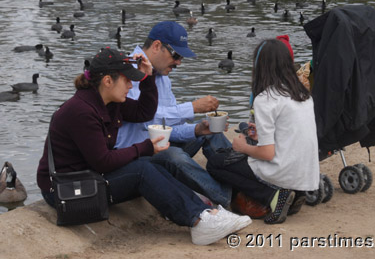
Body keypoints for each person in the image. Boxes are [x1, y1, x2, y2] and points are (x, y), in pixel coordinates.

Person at [36, 47, 251, 245]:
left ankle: (205, 213)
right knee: (142, 168)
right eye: (127, 80)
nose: (131, 86)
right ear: (108, 81)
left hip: (89, 177)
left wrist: (148, 78)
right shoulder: (81, 111)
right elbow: (102, 160)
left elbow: (143, 113)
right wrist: (145, 147)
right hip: (67, 190)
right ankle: (199, 219)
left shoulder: (108, 102)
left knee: (152, 163)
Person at [115, 21, 232, 207]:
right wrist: (191, 108)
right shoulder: (127, 72)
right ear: (156, 46)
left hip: (156, 144)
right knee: (174, 156)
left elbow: (166, 127)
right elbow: (145, 117)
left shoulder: (162, 77)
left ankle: (241, 180)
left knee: (210, 133)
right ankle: (230, 198)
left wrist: (197, 130)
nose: (178, 63)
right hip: (134, 153)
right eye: (176, 55)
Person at [206, 39, 320, 224]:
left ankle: (273, 196)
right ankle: (295, 192)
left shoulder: (266, 98)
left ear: (260, 66)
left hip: (283, 169)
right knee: (245, 158)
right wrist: (259, 135)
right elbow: (290, 133)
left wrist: (242, 147)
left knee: (216, 163)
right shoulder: (303, 94)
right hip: (306, 171)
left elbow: (267, 153)